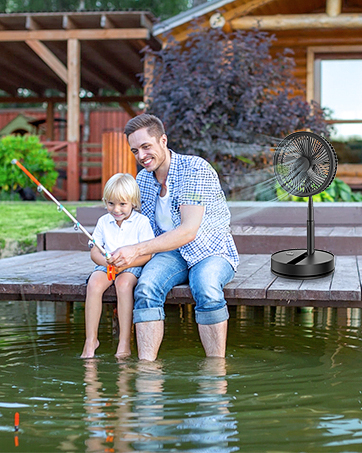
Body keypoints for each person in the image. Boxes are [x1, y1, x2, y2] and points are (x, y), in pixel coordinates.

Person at [107, 114, 239, 361]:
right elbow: (133, 225)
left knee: (206, 287)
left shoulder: (194, 169)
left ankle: (215, 370)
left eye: (146, 147)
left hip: (210, 250)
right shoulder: (143, 180)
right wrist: (108, 249)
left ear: (163, 140)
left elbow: (188, 231)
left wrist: (135, 250)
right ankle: (147, 374)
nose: (141, 156)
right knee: (145, 288)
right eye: (135, 150)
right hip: (170, 253)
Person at [81, 173, 154, 359]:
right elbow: (94, 251)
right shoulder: (103, 222)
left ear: (133, 203)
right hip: (108, 265)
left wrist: (128, 263)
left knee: (123, 285)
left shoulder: (141, 222)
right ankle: (91, 340)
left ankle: (124, 341)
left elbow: (148, 254)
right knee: (94, 284)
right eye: (111, 203)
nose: (116, 209)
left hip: (132, 266)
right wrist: (105, 262)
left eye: (122, 204)